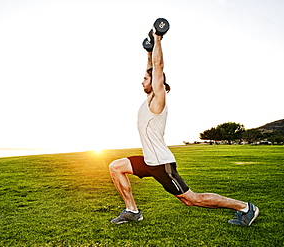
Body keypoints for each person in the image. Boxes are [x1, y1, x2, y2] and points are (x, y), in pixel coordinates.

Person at [109, 30, 259, 226]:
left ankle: (245, 207)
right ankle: (132, 211)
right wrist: (148, 52)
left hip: (162, 164)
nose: (142, 81)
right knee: (115, 167)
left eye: (146, 80)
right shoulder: (149, 100)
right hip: (149, 161)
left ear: (156, 83)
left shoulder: (158, 100)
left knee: (191, 199)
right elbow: (152, 68)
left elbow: (157, 67)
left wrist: (158, 39)